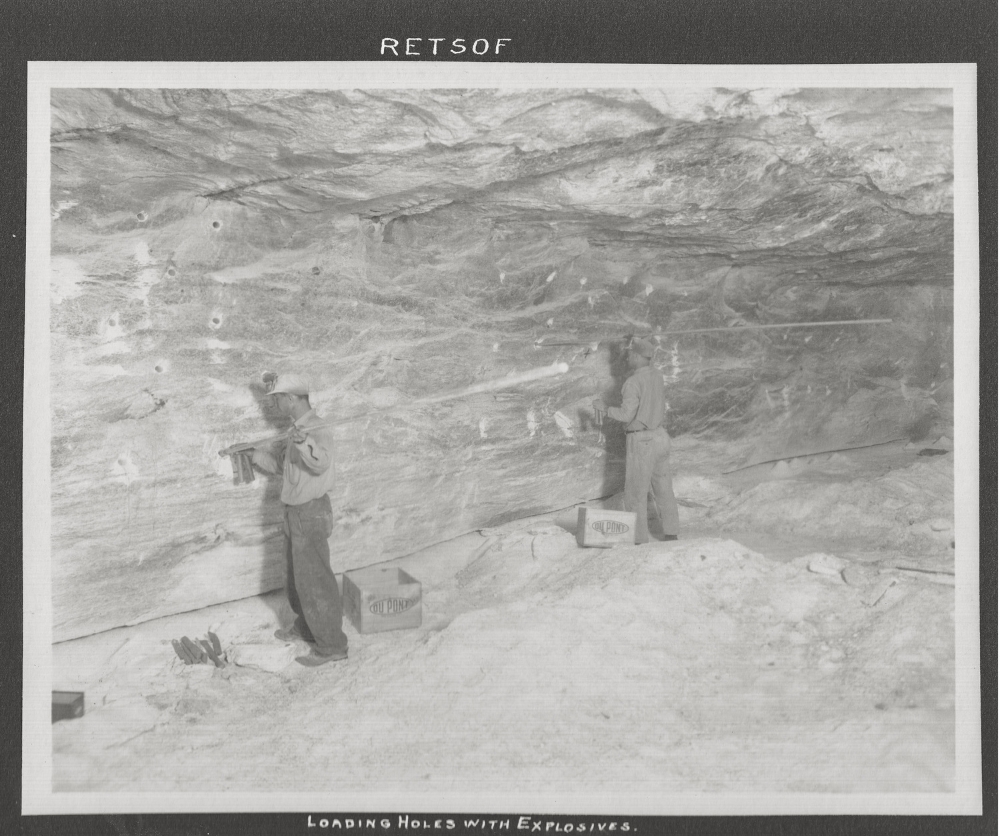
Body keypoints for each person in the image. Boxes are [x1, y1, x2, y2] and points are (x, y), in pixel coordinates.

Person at [250, 373, 349, 667]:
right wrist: (252, 454)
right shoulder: (297, 430)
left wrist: (306, 442)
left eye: (277, 398)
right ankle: (306, 627)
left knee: (316, 580)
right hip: (295, 512)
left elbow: (320, 463)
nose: (275, 404)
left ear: (291, 398)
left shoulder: (316, 430)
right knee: (296, 580)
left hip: (311, 511)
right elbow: (282, 467)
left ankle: (332, 646)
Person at [592, 338, 680, 545]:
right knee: (664, 488)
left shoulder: (632, 382)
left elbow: (625, 415)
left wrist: (604, 408)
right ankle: (672, 532)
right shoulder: (657, 376)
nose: (629, 357)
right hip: (660, 436)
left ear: (641, 357)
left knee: (635, 494)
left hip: (642, 442)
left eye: (632, 354)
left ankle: (639, 539)